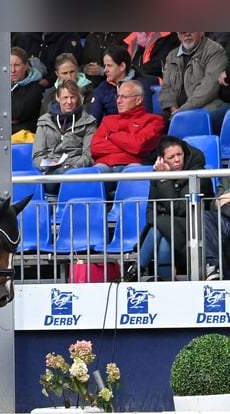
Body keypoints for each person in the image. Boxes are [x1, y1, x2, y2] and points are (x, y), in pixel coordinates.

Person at [124, 135, 214, 281]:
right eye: (171, 157)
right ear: (162, 159)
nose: (177, 160)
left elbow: (181, 209)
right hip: (171, 227)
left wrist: (164, 180)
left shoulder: (197, 174)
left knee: (161, 228)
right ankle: (165, 281)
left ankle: (137, 269)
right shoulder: (157, 174)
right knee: (165, 237)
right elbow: (151, 209)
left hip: (194, 225)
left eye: (179, 154)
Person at [90, 80, 165, 193]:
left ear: (138, 100)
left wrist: (112, 135)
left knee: (134, 172)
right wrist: (127, 145)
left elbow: (137, 146)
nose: (118, 101)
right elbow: (95, 148)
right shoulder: (108, 120)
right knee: (94, 173)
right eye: (118, 96)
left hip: (132, 166)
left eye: (124, 97)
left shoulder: (153, 121)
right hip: (104, 167)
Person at [32, 79, 97, 196]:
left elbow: (89, 156)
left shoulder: (88, 121)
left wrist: (70, 168)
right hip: (51, 172)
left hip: (77, 171)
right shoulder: (44, 121)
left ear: (78, 98)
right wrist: (48, 164)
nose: (69, 101)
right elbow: (37, 156)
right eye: (65, 98)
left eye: (73, 97)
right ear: (57, 98)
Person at [158, 32, 228, 124]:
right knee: (155, 124)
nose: (187, 34)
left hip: (205, 107)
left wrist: (182, 111)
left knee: (188, 123)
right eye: (182, 31)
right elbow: (166, 87)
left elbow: (208, 89)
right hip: (175, 110)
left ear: (201, 32)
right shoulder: (172, 55)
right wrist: (172, 108)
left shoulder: (215, 51)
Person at [88, 46, 156, 125]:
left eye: (109, 66)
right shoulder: (103, 88)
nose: (105, 70)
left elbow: (145, 118)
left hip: (134, 132)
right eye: (104, 66)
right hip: (110, 132)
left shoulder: (140, 85)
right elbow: (93, 120)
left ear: (122, 66)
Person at [12, 32, 84, 88]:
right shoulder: (24, 36)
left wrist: (48, 80)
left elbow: (69, 67)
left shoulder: (69, 37)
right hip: (24, 82)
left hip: (55, 85)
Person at [9, 46, 44, 134]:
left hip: (25, 137)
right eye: (9, 65)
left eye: (17, 65)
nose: (13, 70)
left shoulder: (36, 88)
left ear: (26, 66)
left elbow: (17, 113)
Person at [203, 190, 230, 280]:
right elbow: (216, 202)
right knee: (205, 217)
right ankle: (214, 268)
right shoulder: (226, 179)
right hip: (225, 217)